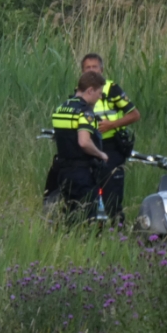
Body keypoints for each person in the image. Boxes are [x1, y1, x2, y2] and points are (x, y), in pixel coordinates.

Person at [81, 53, 141, 223]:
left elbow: (135, 115)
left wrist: (112, 125)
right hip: (88, 147)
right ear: (82, 71)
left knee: (112, 195)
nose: (91, 71)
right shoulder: (80, 91)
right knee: (87, 194)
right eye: (88, 68)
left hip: (111, 146)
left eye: (95, 67)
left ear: (102, 69)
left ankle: (117, 231)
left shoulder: (111, 89)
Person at [50, 71, 109, 223]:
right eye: (99, 93)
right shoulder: (86, 112)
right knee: (87, 219)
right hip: (81, 174)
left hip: (60, 172)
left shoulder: (60, 108)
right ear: (90, 90)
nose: (100, 97)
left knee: (68, 218)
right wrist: (100, 154)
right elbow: (84, 142)